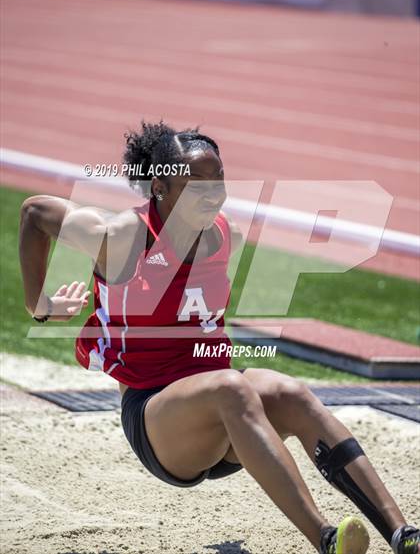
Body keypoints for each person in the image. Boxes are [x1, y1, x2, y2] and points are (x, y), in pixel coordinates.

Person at [19, 120, 419, 554]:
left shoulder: (222, 230)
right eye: (195, 183)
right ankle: (325, 539)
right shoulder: (123, 238)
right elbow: (35, 213)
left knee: (291, 392)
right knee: (232, 386)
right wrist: (38, 305)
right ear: (160, 188)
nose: (210, 193)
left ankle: (402, 535)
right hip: (157, 420)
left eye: (218, 180)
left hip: (225, 420)